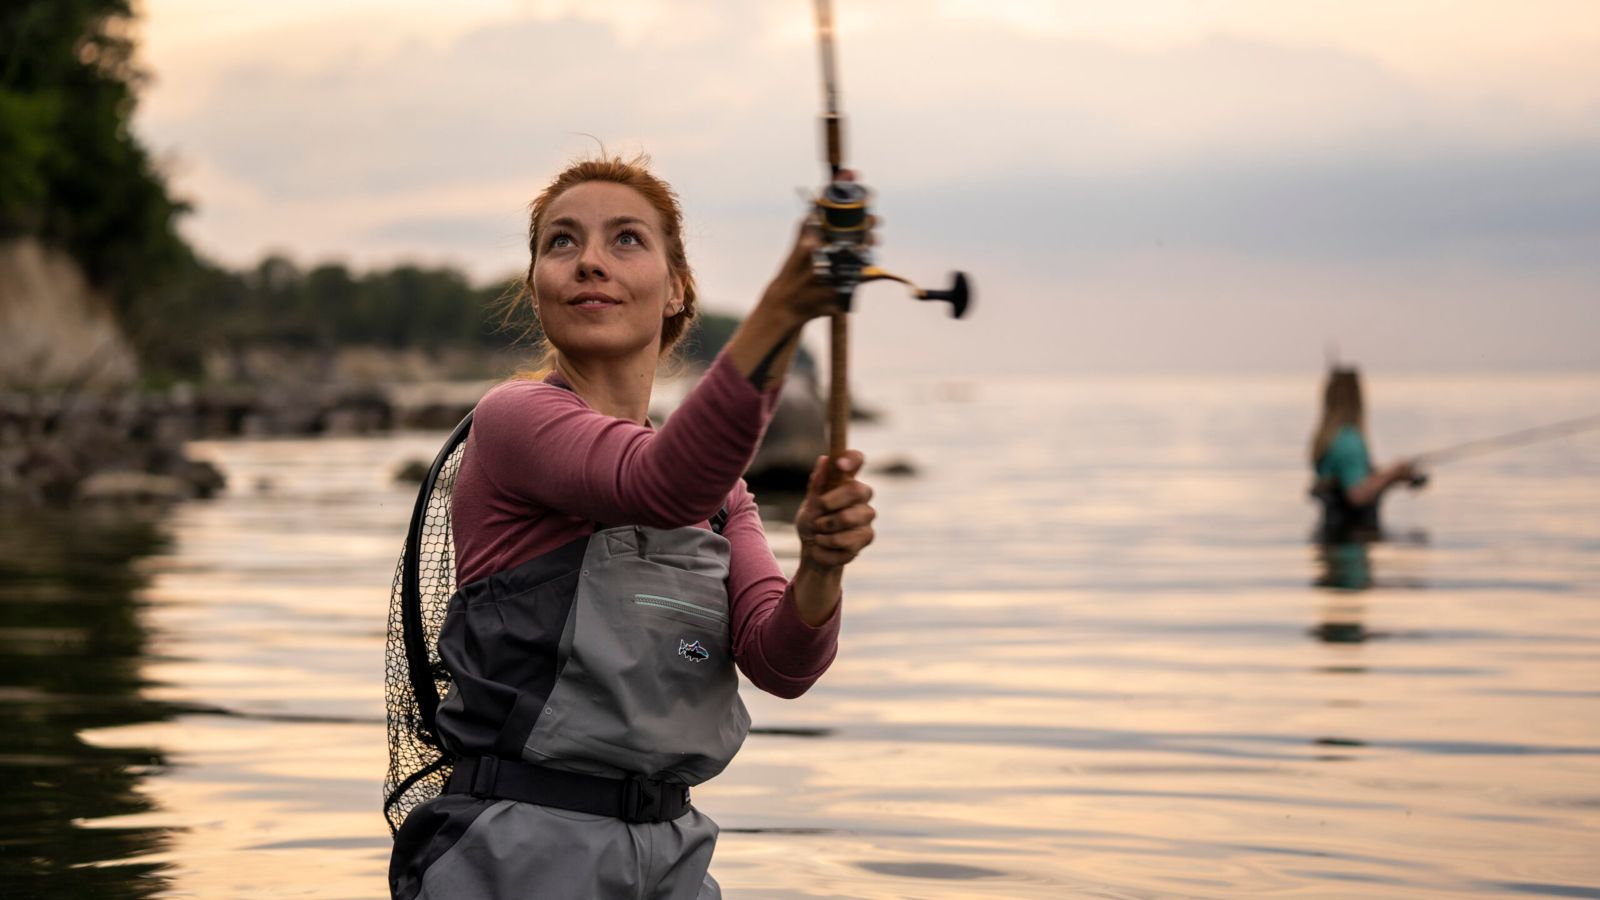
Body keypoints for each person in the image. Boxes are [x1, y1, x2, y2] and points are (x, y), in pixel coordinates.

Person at [386, 154, 877, 900]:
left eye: (625, 240)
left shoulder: (725, 499)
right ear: (536, 289)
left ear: (677, 288)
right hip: (514, 848)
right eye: (561, 242)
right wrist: (783, 306)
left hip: (674, 854)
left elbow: (784, 665)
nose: (589, 262)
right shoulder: (514, 419)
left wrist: (820, 566)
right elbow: (658, 482)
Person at [1309, 366, 1421, 542]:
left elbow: (1347, 481)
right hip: (1352, 540)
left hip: (1330, 535)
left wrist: (1388, 476)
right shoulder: (1348, 441)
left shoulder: (1327, 440)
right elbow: (1357, 495)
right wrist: (1391, 475)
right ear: (1357, 398)